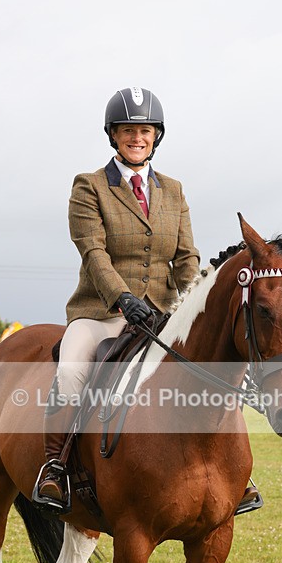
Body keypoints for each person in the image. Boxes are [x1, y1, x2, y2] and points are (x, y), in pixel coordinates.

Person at [33, 86, 261, 517]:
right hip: (101, 314)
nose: (136, 137)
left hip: (162, 314)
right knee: (72, 367)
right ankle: (55, 467)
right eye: (127, 130)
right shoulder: (90, 186)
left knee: (208, 367)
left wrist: (191, 304)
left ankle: (235, 473)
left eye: (145, 130)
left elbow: (186, 257)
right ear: (113, 135)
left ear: (156, 136)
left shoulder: (173, 191)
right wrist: (121, 297)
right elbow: (93, 250)